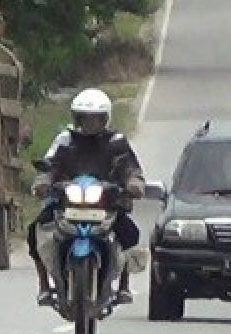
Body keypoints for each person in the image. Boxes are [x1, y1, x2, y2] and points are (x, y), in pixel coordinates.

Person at [27, 88, 145, 307]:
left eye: (95, 119)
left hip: (106, 203)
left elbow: (130, 167)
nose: (90, 123)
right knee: (35, 230)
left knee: (130, 233)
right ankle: (44, 285)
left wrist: (133, 183)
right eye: (85, 118)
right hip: (68, 202)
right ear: (76, 117)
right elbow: (50, 164)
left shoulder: (116, 141)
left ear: (105, 118)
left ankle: (124, 285)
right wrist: (44, 180)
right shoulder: (65, 139)